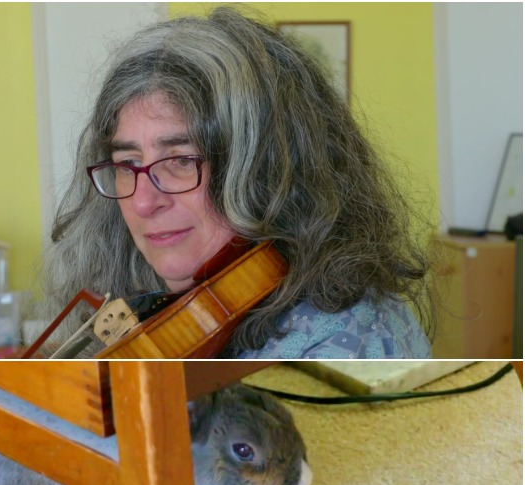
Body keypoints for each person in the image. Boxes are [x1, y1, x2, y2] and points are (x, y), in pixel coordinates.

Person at [39, 7, 433, 359]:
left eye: (179, 160)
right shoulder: (158, 309)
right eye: (128, 163)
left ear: (270, 172)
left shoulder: (345, 341)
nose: (143, 203)